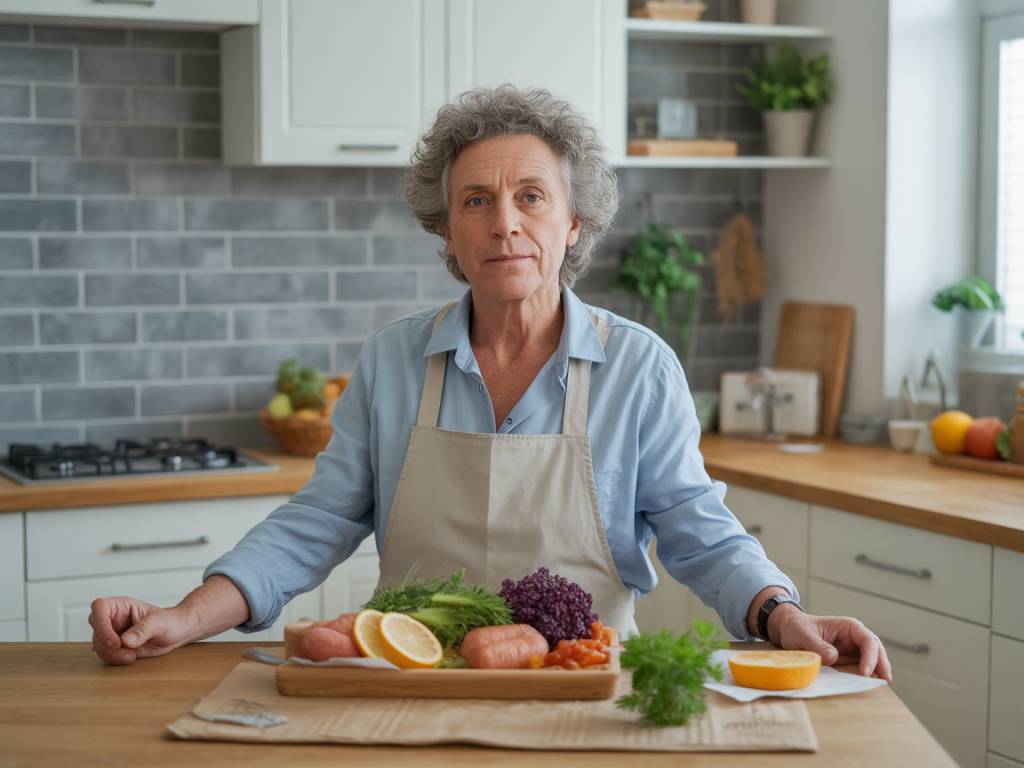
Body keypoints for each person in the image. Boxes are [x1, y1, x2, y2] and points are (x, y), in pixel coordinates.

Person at [89, 86, 891, 682]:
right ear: (448, 231)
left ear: (573, 225)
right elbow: (316, 523)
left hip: (583, 693)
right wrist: (185, 616)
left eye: (531, 197)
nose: (504, 221)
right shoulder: (393, 361)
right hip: (407, 689)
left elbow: (700, 530)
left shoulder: (640, 367)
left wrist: (784, 615)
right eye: (476, 201)